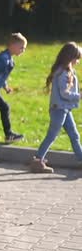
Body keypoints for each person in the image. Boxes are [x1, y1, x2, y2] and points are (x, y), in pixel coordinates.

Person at [30, 42, 82, 173]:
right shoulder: (63, 73)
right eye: (76, 59)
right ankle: (37, 160)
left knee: (74, 135)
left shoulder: (66, 71)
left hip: (64, 109)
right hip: (59, 109)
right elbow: (65, 93)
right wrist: (79, 95)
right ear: (69, 57)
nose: (77, 62)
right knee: (52, 135)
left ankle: (81, 159)